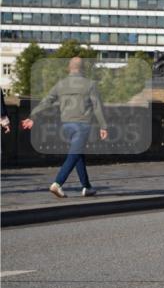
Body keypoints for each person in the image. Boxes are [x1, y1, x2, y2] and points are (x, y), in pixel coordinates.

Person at [20, 57, 108, 197]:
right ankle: (58, 183)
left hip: (66, 126)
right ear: (83, 68)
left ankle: (87, 187)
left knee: (78, 154)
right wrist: (103, 126)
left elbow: (46, 101)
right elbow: (97, 107)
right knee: (74, 155)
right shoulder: (90, 84)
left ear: (69, 68)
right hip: (82, 125)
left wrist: (33, 116)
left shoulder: (60, 84)